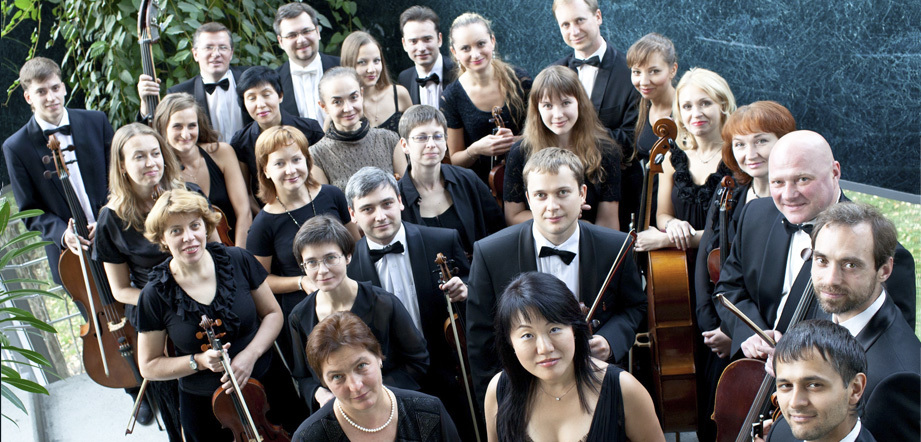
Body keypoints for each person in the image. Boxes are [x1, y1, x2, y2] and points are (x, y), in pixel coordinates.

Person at [0, 56, 155, 427]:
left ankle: (159, 371)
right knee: (104, 320)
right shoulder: (16, 146)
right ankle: (134, 388)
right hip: (75, 258)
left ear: (63, 86)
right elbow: (30, 211)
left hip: (117, 237)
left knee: (140, 305)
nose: (51, 97)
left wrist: (109, 215)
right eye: (42, 91)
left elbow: (121, 175)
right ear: (28, 97)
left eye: (55, 87)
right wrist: (63, 233)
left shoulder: (94, 121)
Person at [715, 130, 916, 361]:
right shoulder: (755, 215)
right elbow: (728, 289)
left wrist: (803, 365)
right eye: (778, 182)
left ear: (835, 172)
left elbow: (887, 349)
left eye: (802, 179)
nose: (788, 195)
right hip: (751, 371)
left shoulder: (884, 256)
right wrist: (751, 334)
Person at [467, 147, 647, 405]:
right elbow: (481, 340)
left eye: (562, 192)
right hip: (524, 392)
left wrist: (611, 340)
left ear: (582, 193)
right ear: (528, 199)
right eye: (541, 195)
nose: (552, 206)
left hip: (597, 384)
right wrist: (499, 405)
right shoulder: (490, 253)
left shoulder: (616, 246)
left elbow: (635, 306)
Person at [137, 188, 300, 441]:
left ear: (206, 227)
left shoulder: (238, 260)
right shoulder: (154, 294)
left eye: (195, 226)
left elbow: (272, 314)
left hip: (267, 385)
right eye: (176, 231)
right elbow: (149, 366)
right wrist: (198, 361)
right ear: (162, 238)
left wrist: (250, 355)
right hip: (206, 408)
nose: (189, 237)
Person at [759, 203, 920, 442]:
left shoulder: (899, 380)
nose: (831, 280)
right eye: (822, 260)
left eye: (850, 265)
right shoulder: (835, 303)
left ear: (885, 270)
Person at [343, 167, 478, 440]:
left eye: (387, 203)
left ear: (400, 201)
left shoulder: (442, 240)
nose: (380, 216)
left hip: (449, 372)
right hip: (392, 383)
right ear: (353, 214)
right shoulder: (348, 267)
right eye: (368, 209)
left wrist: (465, 291)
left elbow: (475, 293)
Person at [94, 123, 193, 440]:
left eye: (155, 153)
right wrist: (165, 302)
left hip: (200, 296)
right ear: (122, 165)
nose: (151, 163)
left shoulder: (184, 194)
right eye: (139, 156)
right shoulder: (111, 218)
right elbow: (120, 289)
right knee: (180, 405)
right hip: (155, 313)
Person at [485, 272, 664, 442]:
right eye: (527, 335)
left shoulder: (625, 389)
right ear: (510, 342)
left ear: (574, 330)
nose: (545, 348)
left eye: (554, 329)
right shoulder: (498, 390)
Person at [288, 214, 430, 412]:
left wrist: (366, 391)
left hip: (390, 406)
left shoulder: (383, 303)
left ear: (348, 256)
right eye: (311, 262)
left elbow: (418, 361)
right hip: (340, 413)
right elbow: (303, 377)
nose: (322, 270)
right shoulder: (299, 316)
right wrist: (319, 394)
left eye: (330, 258)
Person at [246, 125, 357, 367]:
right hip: (307, 311)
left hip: (348, 295)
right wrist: (300, 281)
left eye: (296, 159)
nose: (291, 169)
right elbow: (260, 281)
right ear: (265, 170)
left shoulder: (332, 195)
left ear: (307, 160)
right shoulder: (262, 225)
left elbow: (355, 245)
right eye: (279, 163)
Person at [695, 101, 796, 358]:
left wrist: (734, 334)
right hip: (724, 330)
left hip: (775, 338)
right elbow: (705, 265)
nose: (750, 154)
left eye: (761, 141)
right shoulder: (728, 193)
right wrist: (715, 327)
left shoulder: (796, 205)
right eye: (739, 144)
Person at [292, 311, 461, 441]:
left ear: (379, 357)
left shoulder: (430, 412)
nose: (355, 386)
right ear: (324, 381)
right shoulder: (308, 438)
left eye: (361, 366)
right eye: (337, 377)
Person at [553, 0, 641, 230]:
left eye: (580, 20)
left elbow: (632, 140)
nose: (574, 31)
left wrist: (577, 136)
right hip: (562, 195)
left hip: (617, 196)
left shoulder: (631, 75)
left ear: (598, 16)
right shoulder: (555, 73)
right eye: (565, 24)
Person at [503, 65, 622, 230]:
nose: (558, 114)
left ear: (579, 103)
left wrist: (580, 229)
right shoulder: (520, 152)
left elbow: (608, 223)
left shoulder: (606, 151)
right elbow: (513, 217)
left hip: (588, 239)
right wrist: (566, 216)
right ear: (537, 109)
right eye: (548, 105)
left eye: (566, 103)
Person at [397, 104, 504, 256]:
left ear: (446, 141)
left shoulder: (468, 180)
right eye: (421, 137)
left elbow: (499, 231)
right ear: (404, 145)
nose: (431, 144)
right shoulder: (396, 198)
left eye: (438, 136)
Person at [441, 12, 531, 184]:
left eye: (481, 44)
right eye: (465, 48)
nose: (475, 54)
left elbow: (544, 135)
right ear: (454, 52)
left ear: (492, 41)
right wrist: (476, 149)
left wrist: (515, 141)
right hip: (480, 187)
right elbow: (455, 159)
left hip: (527, 178)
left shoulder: (521, 80)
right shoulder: (451, 97)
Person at [153, 92, 252, 246]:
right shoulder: (161, 173)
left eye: (192, 125)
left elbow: (244, 212)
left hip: (236, 246)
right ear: (163, 128)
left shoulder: (222, 153)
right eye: (177, 126)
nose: (186, 134)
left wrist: (239, 255)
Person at [230, 66, 324, 211]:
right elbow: (246, 194)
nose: (260, 104)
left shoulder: (310, 129)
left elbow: (322, 179)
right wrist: (268, 216)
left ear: (280, 95)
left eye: (266, 94)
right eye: (252, 98)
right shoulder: (241, 142)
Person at [765, 320, 875, 442]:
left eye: (814, 385)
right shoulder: (779, 431)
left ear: (855, 389)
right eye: (785, 385)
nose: (795, 403)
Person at [137, 22, 249, 142]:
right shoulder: (179, 93)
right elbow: (156, 137)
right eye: (208, 47)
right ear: (195, 54)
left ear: (231, 53)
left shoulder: (252, 79)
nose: (216, 54)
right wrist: (145, 105)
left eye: (223, 47)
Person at [308, 67, 407, 190]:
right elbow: (326, 201)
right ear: (324, 107)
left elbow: (405, 191)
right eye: (337, 102)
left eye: (353, 97)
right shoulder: (316, 155)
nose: (348, 108)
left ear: (361, 94)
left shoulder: (389, 139)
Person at [625, 33, 678, 226]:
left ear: (672, 70)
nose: (644, 81)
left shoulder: (686, 112)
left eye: (654, 71)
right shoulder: (643, 106)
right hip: (648, 210)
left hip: (675, 215)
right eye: (637, 72)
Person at [274, 2, 340, 127]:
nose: (301, 40)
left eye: (306, 31)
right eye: (292, 35)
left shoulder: (344, 67)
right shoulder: (273, 82)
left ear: (317, 32)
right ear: (280, 41)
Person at [340, 31, 412, 133]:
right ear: (348, 64)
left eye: (376, 61)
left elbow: (416, 134)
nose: (371, 69)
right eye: (362, 62)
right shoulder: (341, 109)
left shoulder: (399, 94)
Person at [397, 6, 457, 107]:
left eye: (427, 39)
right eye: (413, 41)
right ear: (404, 44)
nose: (421, 48)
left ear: (439, 39)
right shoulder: (404, 79)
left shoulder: (459, 73)